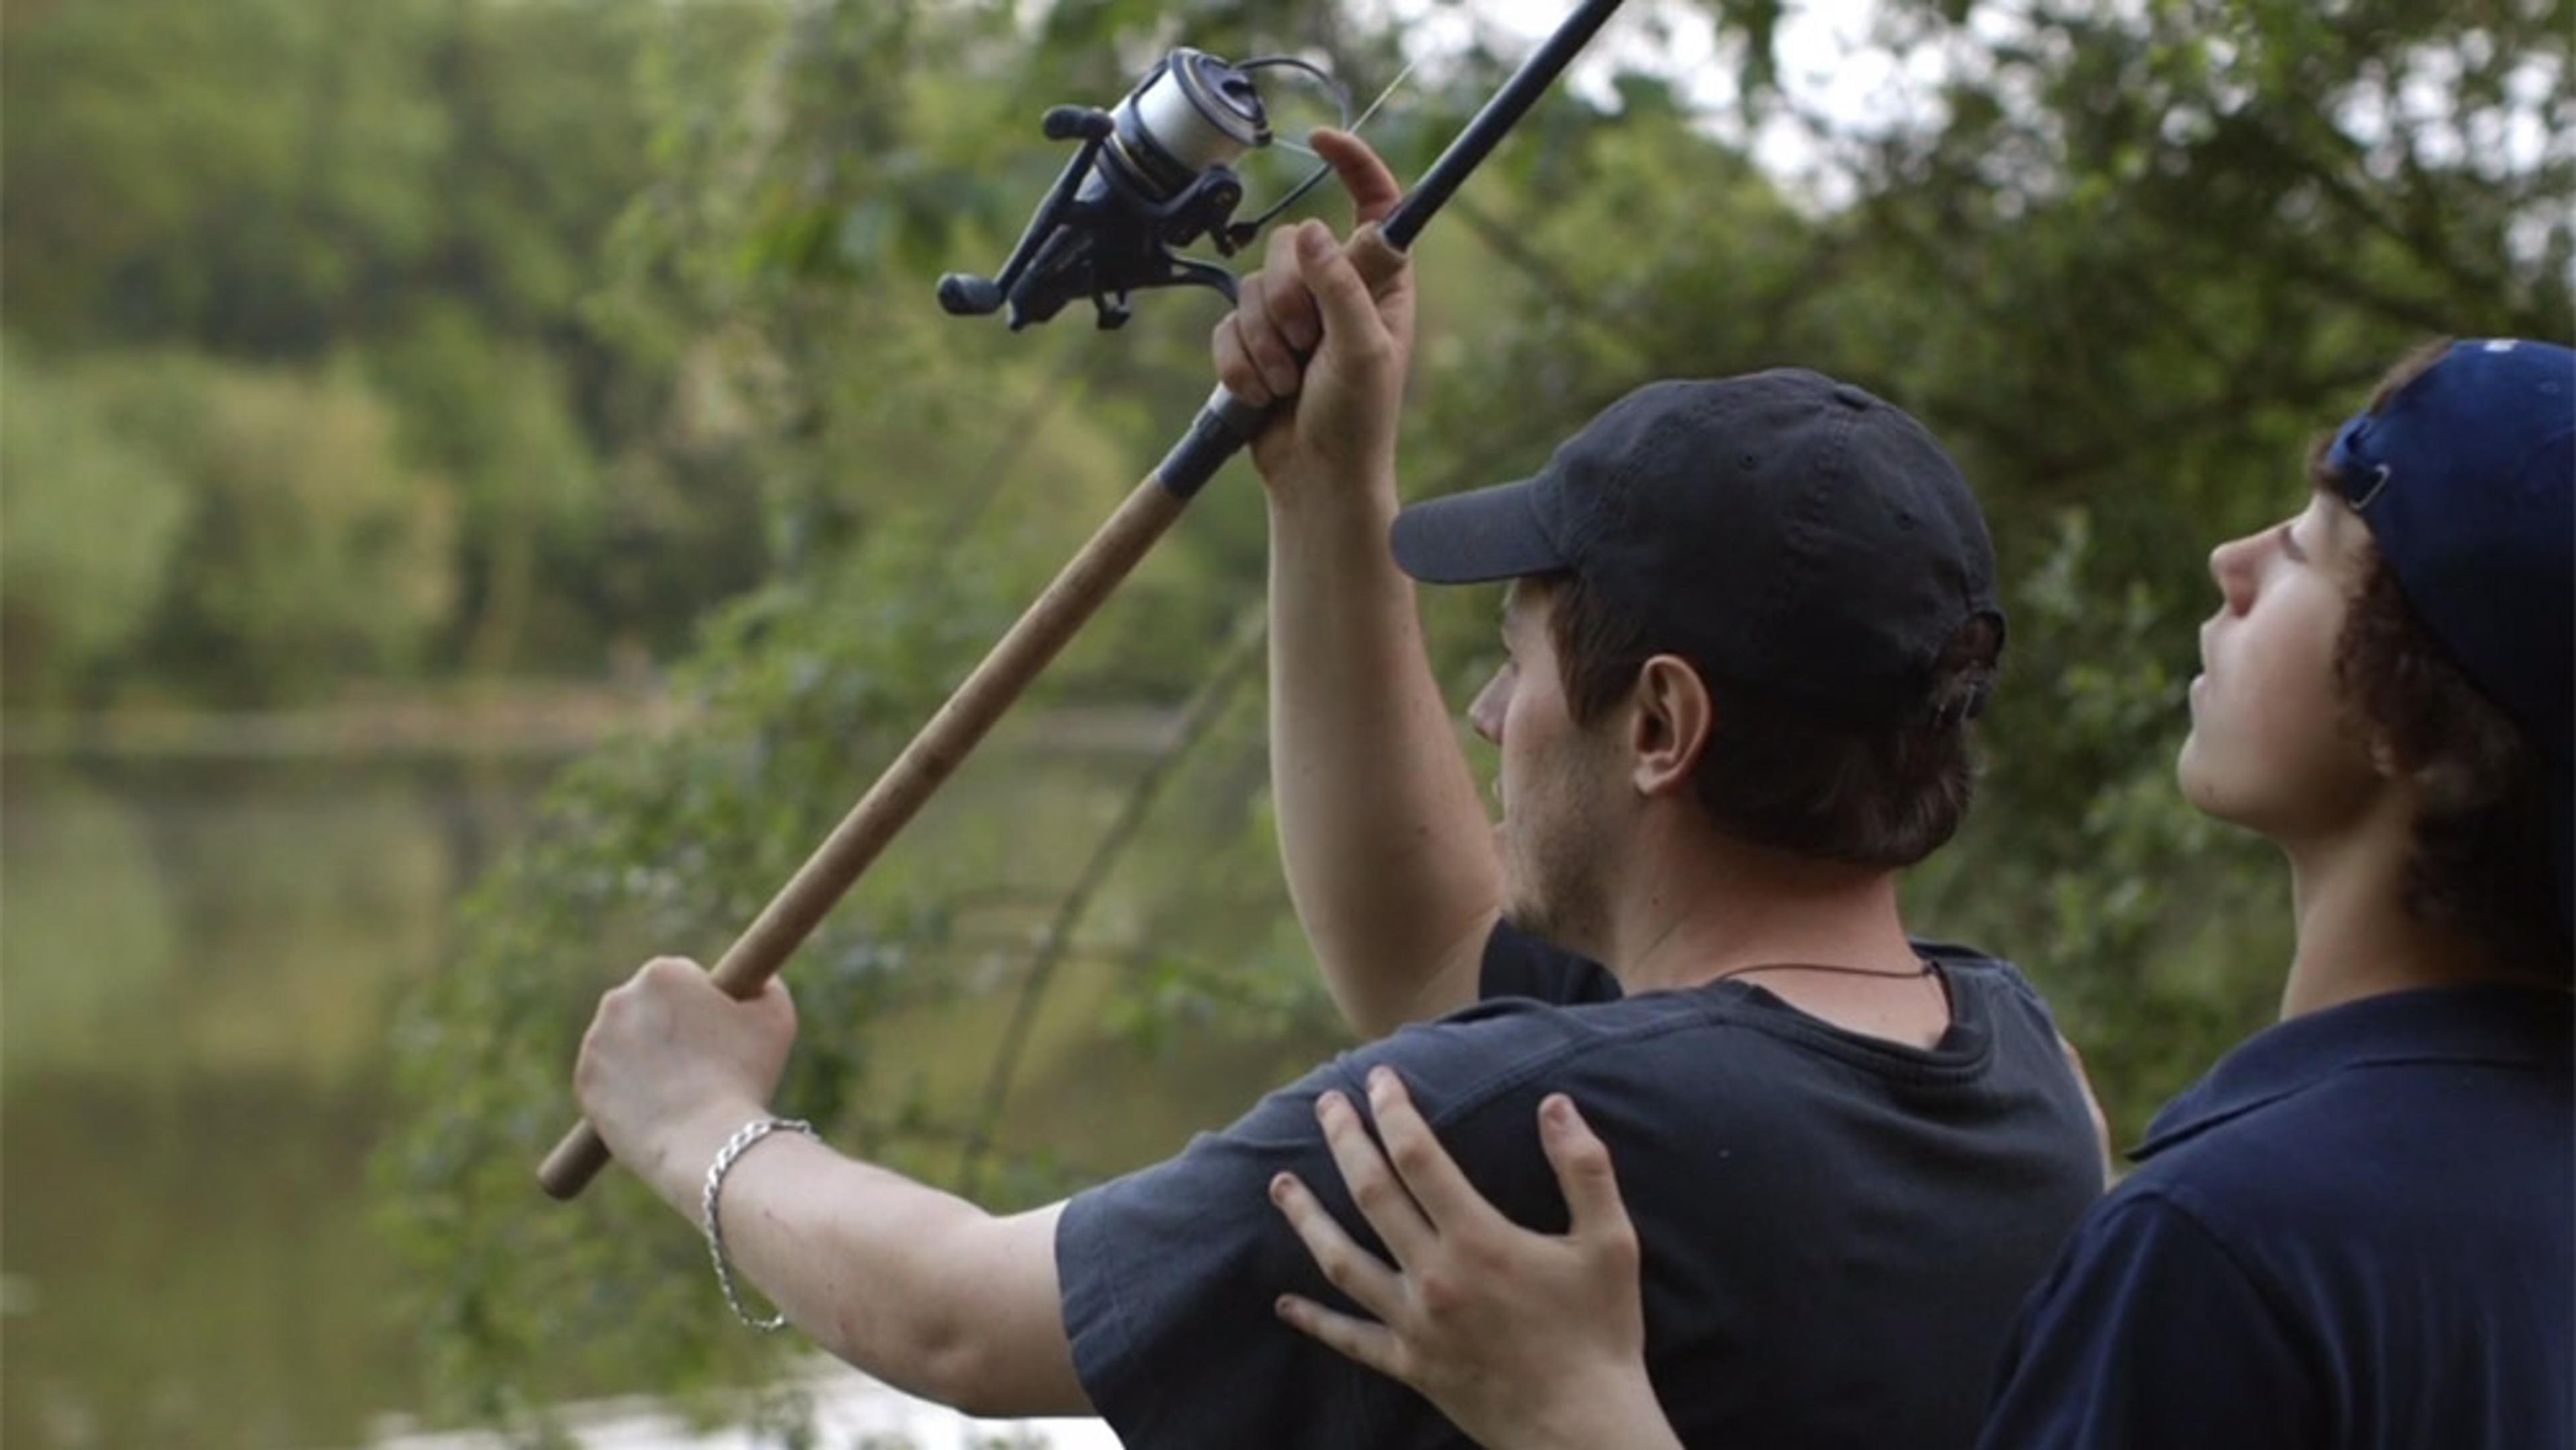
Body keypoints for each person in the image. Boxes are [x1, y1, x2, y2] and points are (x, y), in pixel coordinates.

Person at [569, 130, 2105, 1450]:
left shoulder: (1520, 1130)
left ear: (1659, 723)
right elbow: (1434, 958)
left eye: (1516, 662)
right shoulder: (2023, 1072)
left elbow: (959, 1323)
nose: (1490, 713)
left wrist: (700, 1121)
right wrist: (1325, 488)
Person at [1263, 337, 2575, 1450]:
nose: (2238, 559)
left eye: (2317, 548)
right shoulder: (2489, 1166)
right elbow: (1438, 944)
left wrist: (1581, 1414)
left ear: (2430, 726)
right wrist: (1325, 489)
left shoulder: (2224, 1250)